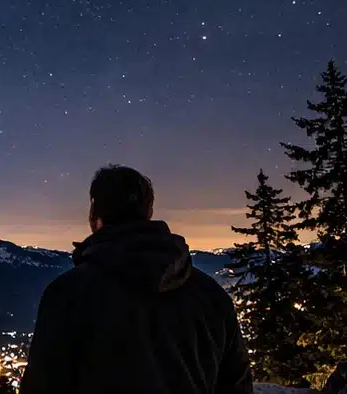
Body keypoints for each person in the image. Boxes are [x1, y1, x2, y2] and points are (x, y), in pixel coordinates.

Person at [19, 165, 252, 394]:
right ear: (148, 212)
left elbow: (42, 384)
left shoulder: (68, 294)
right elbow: (236, 383)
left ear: (94, 212)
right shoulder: (211, 295)